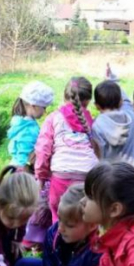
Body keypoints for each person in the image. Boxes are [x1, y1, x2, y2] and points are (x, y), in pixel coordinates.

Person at [34, 77, 99, 223]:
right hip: (88, 175)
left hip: (61, 176)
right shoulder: (91, 120)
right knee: (85, 218)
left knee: (59, 217)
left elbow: (43, 150)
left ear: (65, 97)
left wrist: (41, 177)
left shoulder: (53, 118)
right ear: (88, 101)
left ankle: (58, 243)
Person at [7, 81, 55, 168]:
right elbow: (25, 158)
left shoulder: (19, 122)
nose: (44, 112)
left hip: (13, 167)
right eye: (43, 107)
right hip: (23, 174)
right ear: (33, 105)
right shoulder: (29, 130)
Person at [91, 81, 134, 167]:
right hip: (132, 172)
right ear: (121, 102)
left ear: (96, 106)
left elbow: (98, 154)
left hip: (111, 175)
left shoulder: (96, 126)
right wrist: (112, 80)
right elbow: (127, 102)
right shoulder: (131, 116)